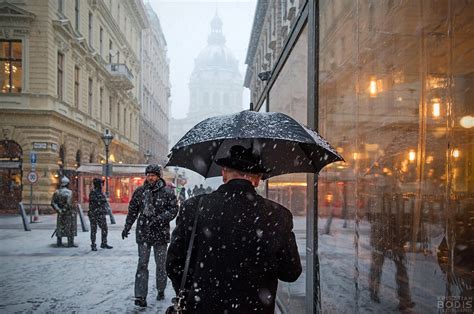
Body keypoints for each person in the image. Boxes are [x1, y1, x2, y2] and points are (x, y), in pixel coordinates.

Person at [166, 145, 302, 313]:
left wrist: (195, 293)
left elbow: (173, 265)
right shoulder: (278, 215)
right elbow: (290, 272)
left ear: (224, 173)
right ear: (257, 179)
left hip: (203, 308)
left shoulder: (194, 208)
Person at [121, 164, 178, 307]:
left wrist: (160, 218)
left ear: (158, 176)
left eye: (153, 175)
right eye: (148, 175)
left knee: (161, 265)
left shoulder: (167, 192)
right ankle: (140, 296)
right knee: (142, 264)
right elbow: (133, 211)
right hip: (144, 232)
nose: (150, 177)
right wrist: (127, 227)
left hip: (160, 233)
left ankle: (160, 289)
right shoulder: (140, 192)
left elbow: (173, 210)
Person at [51, 176, 77, 248]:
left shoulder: (56, 192)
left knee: (60, 227)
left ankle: (59, 242)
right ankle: (70, 242)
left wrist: (59, 210)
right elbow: (68, 203)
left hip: (60, 213)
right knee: (69, 227)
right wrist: (64, 210)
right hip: (68, 213)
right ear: (67, 184)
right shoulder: (69, 192)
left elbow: (53, 203)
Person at [88, 178, 112, 251]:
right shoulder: (93, 192)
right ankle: (93, 244)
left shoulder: (100, 192)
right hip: (94, 213)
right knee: (94, 230)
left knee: (104, 228)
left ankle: (103, 243)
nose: (102, 185)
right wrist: (103, 200)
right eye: (101, 184)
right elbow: (96, 202)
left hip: (100, 213)